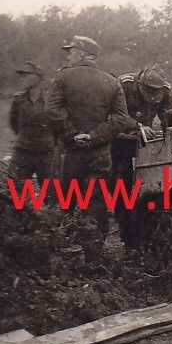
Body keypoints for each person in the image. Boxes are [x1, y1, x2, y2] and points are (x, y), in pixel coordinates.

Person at [45, 35, 135, 249]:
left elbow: (51, 110)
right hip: (100, 153)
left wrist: (72, 135)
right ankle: (94, 255)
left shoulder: (62, 78)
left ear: (83, 53)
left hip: (69, 152)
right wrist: (94, 137)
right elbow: (121, 118)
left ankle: (62, 252)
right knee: (97, 204)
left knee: (64, 201)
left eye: (71, 51)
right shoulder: (111, 82)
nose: (68, 55)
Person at [112, 65, 172, 248]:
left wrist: (170, 132)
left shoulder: (164, 90)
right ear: (140, 84)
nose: (153, 97)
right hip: (121, 140)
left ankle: (145, 234)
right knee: (121, 186)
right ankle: (127, 237)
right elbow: (116, 115)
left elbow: (168, 116)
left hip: (146, 142)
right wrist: (137, 126)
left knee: (145, 187)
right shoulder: (124, 85)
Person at [8, 61, 55, 179]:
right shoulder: (18, 100)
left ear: (37, 77)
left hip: (47, 151)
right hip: (23, 151)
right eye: (22, 76)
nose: (22, 79)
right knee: (15, 186)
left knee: (51, 190)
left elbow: (58, 123)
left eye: (26, 75)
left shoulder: (51, 100)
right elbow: (14, 123)